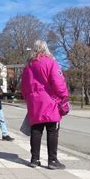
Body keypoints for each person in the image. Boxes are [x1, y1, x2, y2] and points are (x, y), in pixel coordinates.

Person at [21, 40, 69, 170]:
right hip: (50, 101)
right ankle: (52, 160)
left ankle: (34, 159)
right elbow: (58, 83)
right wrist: (64, 96)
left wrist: (29, 100)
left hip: (34, 103)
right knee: (52, 130)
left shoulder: (28, 67)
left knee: (36, 130)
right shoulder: (51, 63)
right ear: (45, 49)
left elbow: (23, 87)